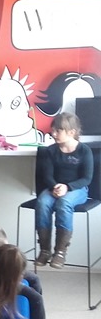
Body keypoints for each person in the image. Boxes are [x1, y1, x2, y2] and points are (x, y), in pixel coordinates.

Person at [34, 112, 93, 269]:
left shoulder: (84, 151)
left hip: (77, 189)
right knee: (42, 203)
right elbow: (47, 175)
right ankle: (45, 250)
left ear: (71, 132)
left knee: (64, 203)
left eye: (58, 131)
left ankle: (60, 252)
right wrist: (55, 186)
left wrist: (68, 187)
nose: (53, 134)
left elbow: (86, 178)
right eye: (53, 130)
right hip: (54, 188)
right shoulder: (50, 151)